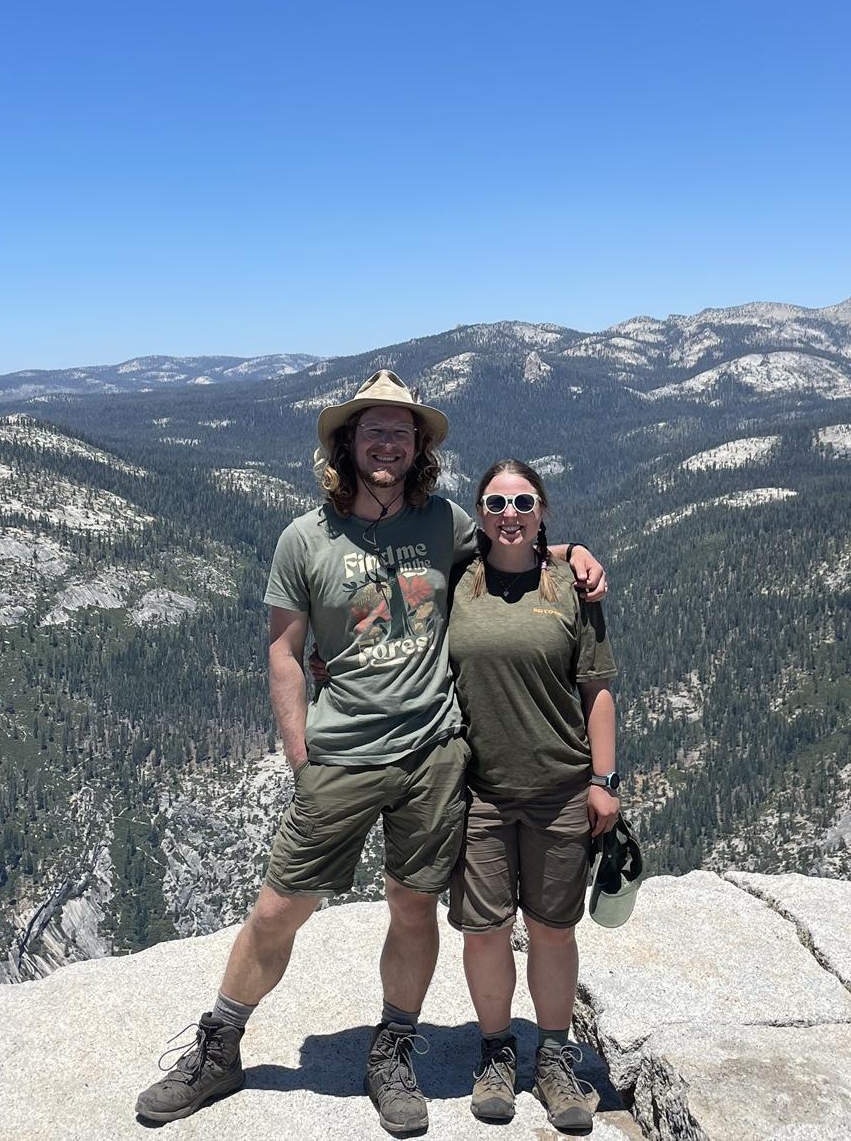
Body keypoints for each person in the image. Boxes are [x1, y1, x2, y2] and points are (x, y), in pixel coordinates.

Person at [134, 370, 606, 1134]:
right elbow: (284, 653)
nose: (388, 443)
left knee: (412, 906)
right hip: (341, 754)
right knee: (279, 908)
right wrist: (301, 757)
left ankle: (392, 1052)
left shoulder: (444, 521)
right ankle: (219, 1047)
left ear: (418, 447)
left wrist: (572, 552)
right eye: (374, 429)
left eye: (401, 431)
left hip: (433, 753)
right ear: (347, 443)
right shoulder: (304, 539)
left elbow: (511, 547)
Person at [446, 458, 618, 1131]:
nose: (509, 514)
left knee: (552, 928)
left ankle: (553, 1056)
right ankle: (496, 1052)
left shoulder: (573, 588)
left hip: (560, 789)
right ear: (480, 515)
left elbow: (596, 690)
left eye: (523, 502)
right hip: (478, 792)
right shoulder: (456, 582)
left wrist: (603, 781)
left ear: (542, 509)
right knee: (485, 931)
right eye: (496, 503)